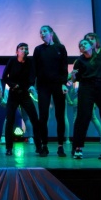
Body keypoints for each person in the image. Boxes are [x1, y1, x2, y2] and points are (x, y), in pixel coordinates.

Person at [70, 38, 101, 160]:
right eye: (80, 45)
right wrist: (72, 76)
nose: (82, 45)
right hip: (86, 88)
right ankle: (78, 148)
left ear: (91, 46)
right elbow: (74, 79)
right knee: (83, 117)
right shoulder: (79, 61)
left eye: (85, 43)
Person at [33, 25, 69, 157]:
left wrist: (64, 84)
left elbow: (64, 68)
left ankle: (60, 146)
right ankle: (44, 146)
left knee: (60, 116)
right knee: (43, 116)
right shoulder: (38, 49)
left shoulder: (60, 48)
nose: (42, 34)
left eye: (44, 31)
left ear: (51, 33)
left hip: (58, 85)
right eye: (40, 32)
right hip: (43, 86)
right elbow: (35, 69)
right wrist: (32, 85)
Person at [1, 43, 41, 156]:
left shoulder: (30, 62)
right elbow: (4, 77)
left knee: (34, 118)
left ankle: (39, 146)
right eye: (21, 48)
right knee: (10, 120)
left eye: (26, 48)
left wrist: (28, 86)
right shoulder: (12, 61)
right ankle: (9, 147)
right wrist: (13, 85)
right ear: (17, 51)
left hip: (24, 94)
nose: (24, 50)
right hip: (13, 94)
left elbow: (32, 77)